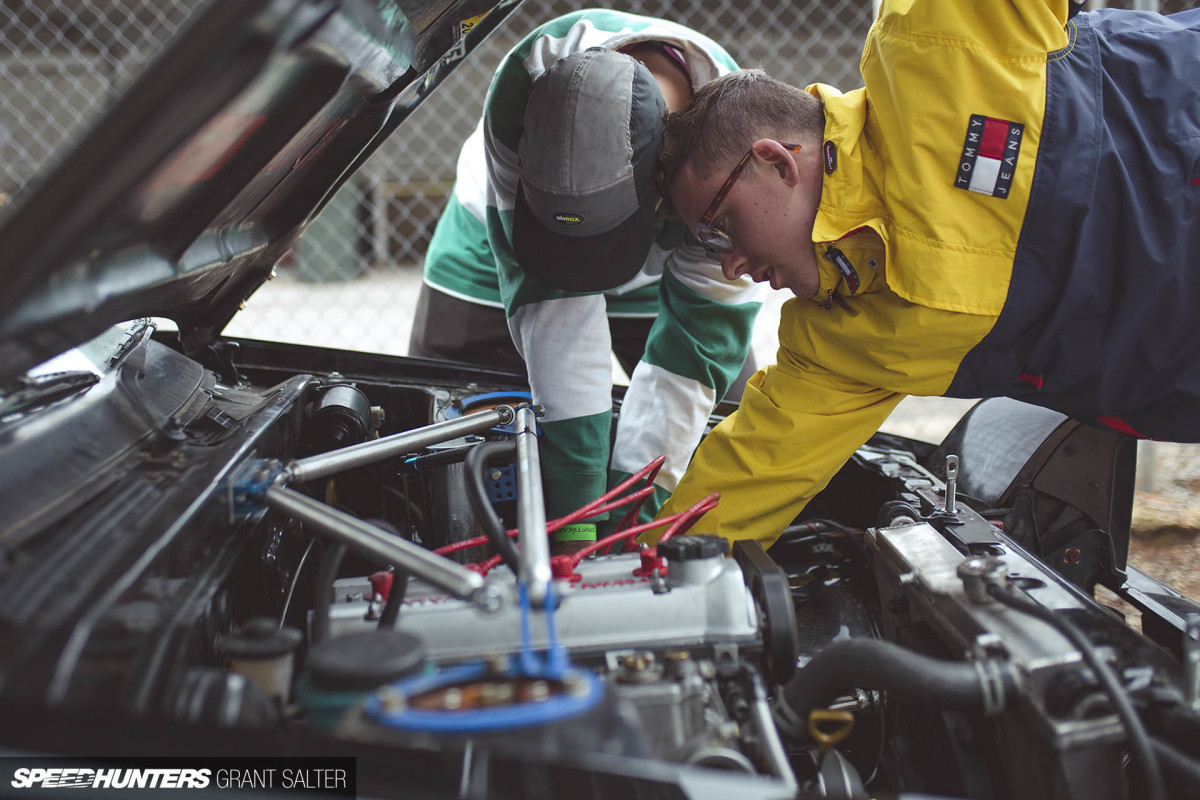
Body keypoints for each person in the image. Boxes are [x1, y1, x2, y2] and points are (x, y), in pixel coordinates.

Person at [653, 0, 1200, 547]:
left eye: (719, 227)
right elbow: (749, 476)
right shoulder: (842, 345)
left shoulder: (930, 39)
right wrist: (644, 580)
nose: (729, 264)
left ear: (776, 160)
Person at [409, 10, 766, 548]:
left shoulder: (728, 145)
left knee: (729, 436)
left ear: (670, 183)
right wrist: (580, 527)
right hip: (501, 266)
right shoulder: (520, 88)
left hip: (660, 280)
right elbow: (560, 330)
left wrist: (630, 520)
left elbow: (695, 347)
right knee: (441, 459)